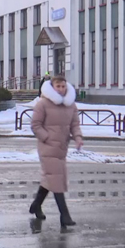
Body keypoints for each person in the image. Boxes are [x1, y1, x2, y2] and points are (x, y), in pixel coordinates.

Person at [29, 75, 83, 227]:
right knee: (57, 179)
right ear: (52, 88)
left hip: (61, 148)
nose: (61, 89)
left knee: (50, 179)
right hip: (47, 147)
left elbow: (75, 125)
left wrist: (78, 138)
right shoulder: (43, 104)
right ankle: (64, 215)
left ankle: (36, 205)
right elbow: (36, 125)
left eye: (63, 86)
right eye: (58, 86)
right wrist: (47, 137)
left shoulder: (70, 105)